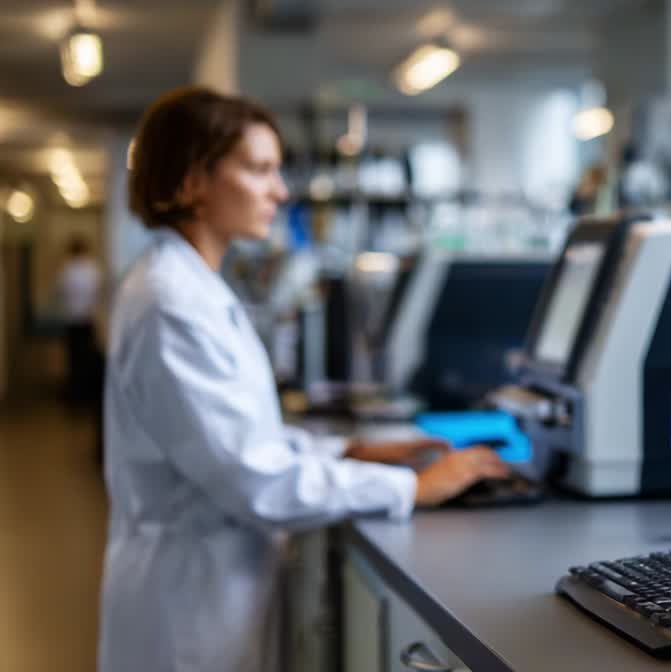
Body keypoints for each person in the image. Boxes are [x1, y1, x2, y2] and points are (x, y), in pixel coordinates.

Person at [98, 87, 510, 672]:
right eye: (260, 170)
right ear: (193, 180)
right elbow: (253, 479)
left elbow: (236, 437)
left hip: (210, 586)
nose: (280, 191)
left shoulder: (189, 285)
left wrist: (353, 448)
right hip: (187, 610)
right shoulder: (171, 302)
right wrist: (411, 490)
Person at [56, 235, 104, 407]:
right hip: (87, 319)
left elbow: (60, 292)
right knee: (86, 358)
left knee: (74, 359)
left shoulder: (67, 270)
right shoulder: (92, 269)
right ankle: (85, 394)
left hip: (72, 320)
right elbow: (97, 293)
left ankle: (76, 395)